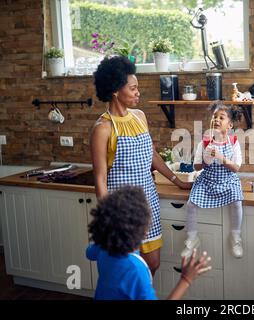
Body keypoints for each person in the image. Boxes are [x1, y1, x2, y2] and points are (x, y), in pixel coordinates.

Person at [90, 56, 192, 276]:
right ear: (116, 90)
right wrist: (110, 219)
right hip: (121, 210)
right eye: (133, 88)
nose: (138, 93)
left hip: (147, 203)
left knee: (152, 263)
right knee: (126, 270)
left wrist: (178, 181)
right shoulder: (103, 128)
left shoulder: (139, 117)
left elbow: (150, 154)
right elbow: (99, 179)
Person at [87, 185, 211, 300]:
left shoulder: (103, 247)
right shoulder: (136, 269)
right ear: (142, 230)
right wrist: (186, 279)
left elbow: (89, 253)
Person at [181, 102, 244, 259]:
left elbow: (236, 168)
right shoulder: (204, 143)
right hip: (208, 180)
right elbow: (196, 167)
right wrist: (205, 159)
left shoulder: (234, 142)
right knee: (191, 205)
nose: (216, 120)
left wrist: (221, 158)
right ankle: (192, 238)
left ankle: (235, 237)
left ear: (229, 125)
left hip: (228, 180)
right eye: (214, 116)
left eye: (221, 117)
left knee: (237, 202)